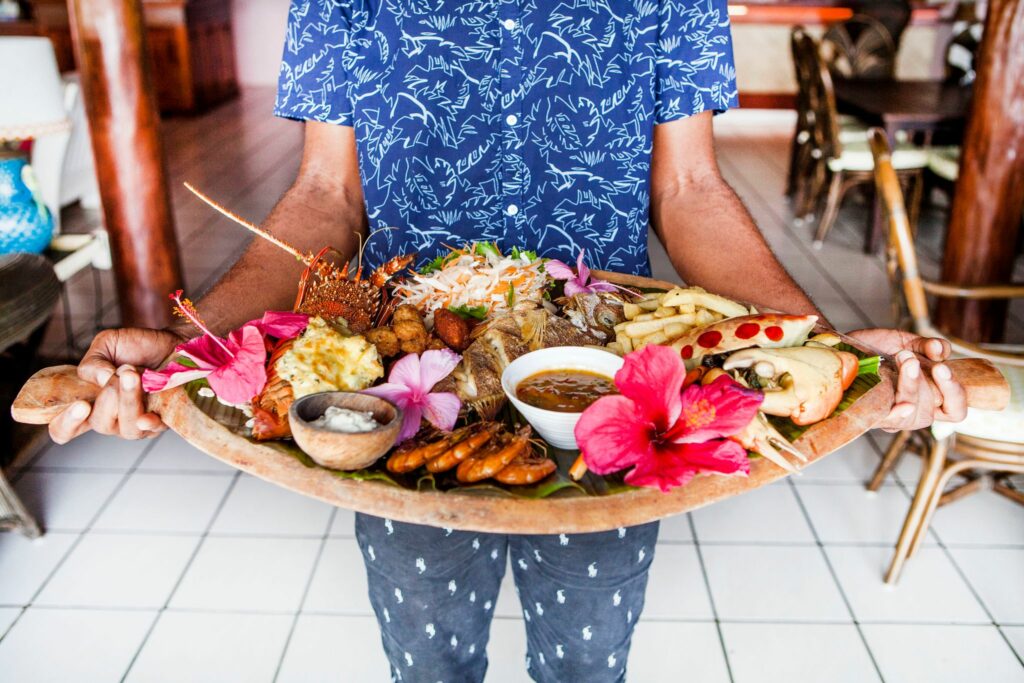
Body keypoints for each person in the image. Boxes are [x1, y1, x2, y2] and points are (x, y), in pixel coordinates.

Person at [48, 1, 967, 680]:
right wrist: (185, 344)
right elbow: (327, 196)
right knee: (429, 657)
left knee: (587, 661)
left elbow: (688, 190)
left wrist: (827, 351)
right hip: (410, 400)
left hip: (605, 393)